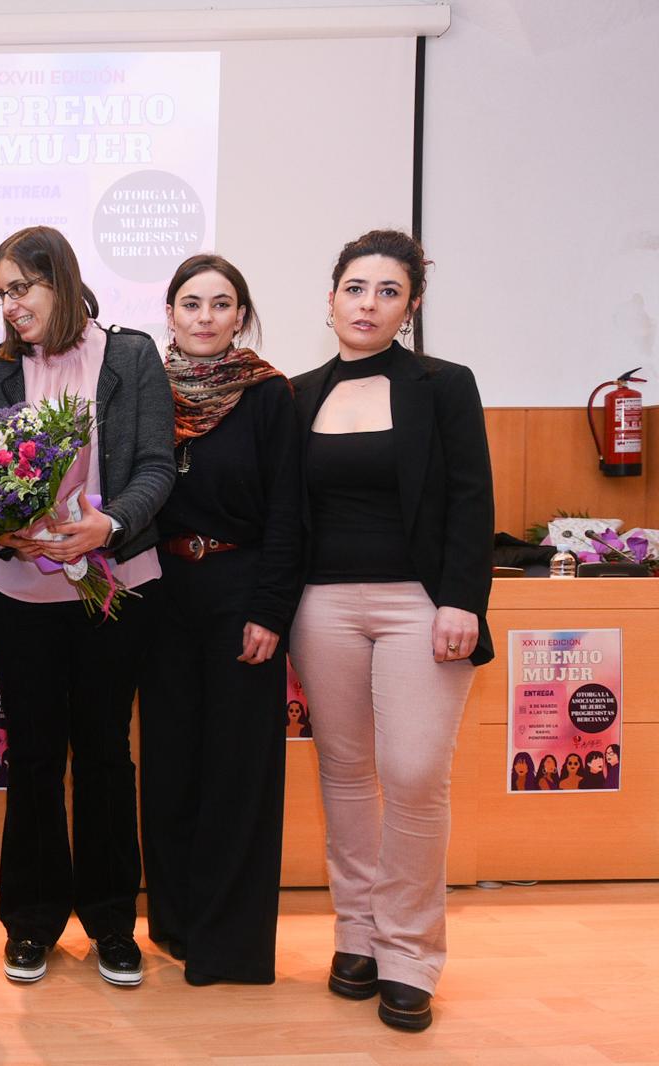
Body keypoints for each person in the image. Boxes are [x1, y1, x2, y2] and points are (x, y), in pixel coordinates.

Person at [289, 229, 494, 1034]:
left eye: (387, 292)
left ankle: (410, 954)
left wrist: (461, 598)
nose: (367, 304)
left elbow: (473, 497)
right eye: (355, 288)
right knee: (344, 774)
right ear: (330, 296)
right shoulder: (297, 393)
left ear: (410, 307)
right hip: (322, 607)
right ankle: (358, 939)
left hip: (423, 604)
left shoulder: (444, 385)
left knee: (412, 774)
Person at [0, 226, 174, 988]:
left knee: (106, 755)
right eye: (1, 293)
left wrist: (109, 524)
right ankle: (31, 923)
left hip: (113, 590)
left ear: (60, 279)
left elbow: (156, 467)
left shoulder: (130, 356)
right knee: (35, 756)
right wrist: (5, 527)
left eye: (22, 287)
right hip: (18, 593)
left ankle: (114, 922)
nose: (11, 305)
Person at [138, 253, 302, 987]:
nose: (205, 316)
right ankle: (174, 924)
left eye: (221, 303)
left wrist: (270, 609)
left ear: (241, 315)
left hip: (242, 595)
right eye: (191, 303)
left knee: (238, 772)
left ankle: (229, 945)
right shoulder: (145, 393)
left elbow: (292, 514)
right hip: (159, 594)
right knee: (170, 766)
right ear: (169, 314)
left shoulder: (270, 397)